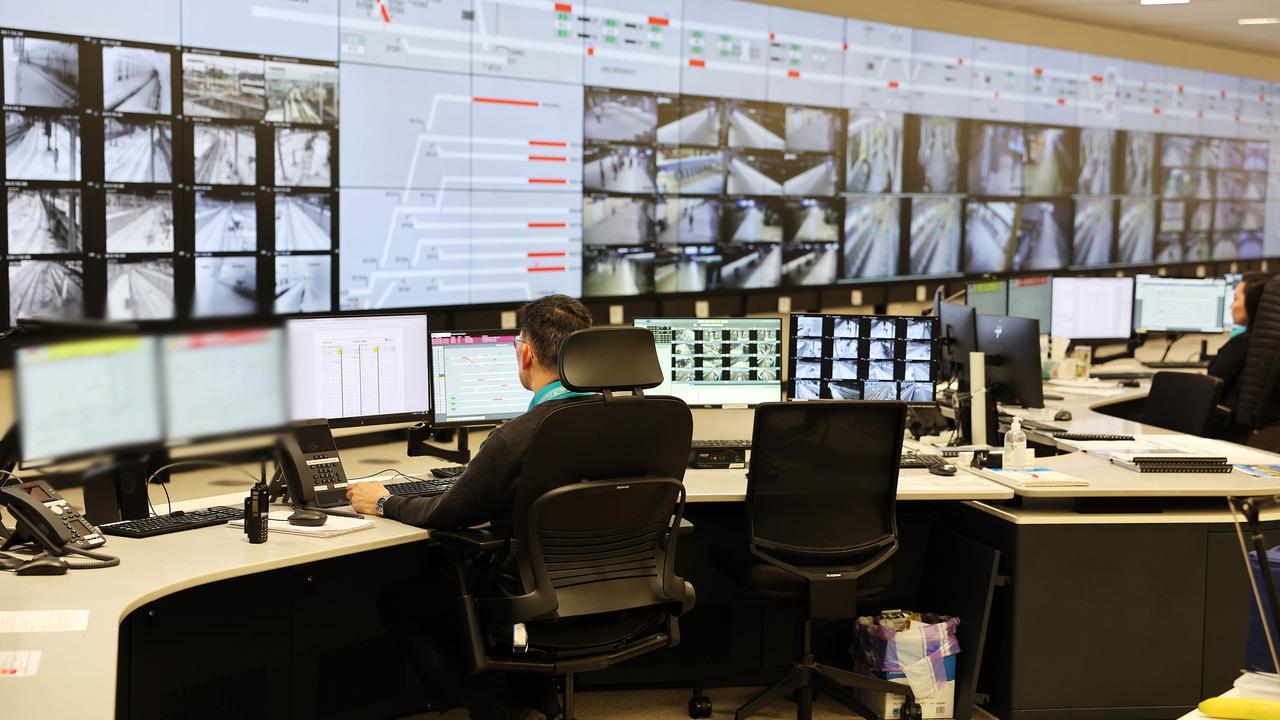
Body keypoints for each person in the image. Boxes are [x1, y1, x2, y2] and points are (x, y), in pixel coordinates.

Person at [347, 294, 593, 720]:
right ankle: (534, 699)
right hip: (613, 583)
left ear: (527, 352)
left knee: (403, 601)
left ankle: (491, 705)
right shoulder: (642, 419)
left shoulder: (517, 437)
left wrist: (385, 501)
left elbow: (448, 513)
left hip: (533, 593)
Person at [1208, 272, 1270, 413]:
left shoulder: (1242, 344)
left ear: (1252, 302)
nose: (1231, 306)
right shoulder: (1269, 343)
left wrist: (1201, 381)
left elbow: (1212, 386)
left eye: (1236, 299)